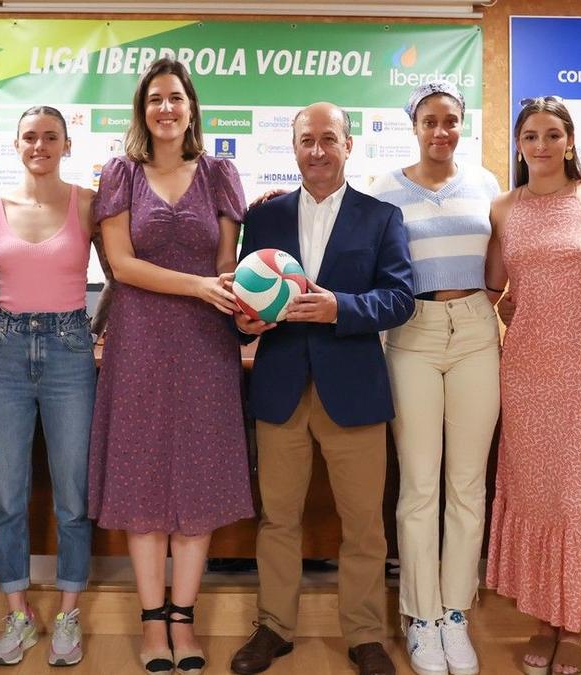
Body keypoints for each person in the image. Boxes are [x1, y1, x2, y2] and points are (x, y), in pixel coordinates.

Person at [229, 102, 415, 675]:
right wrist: (245, 320)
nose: (317, 150)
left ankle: (363, 635)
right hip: (281, 386)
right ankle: (275, 628)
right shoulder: (262, 218)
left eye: (328, 139)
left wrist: (340, 307)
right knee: (278, 518)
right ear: (293, 147)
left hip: (353, 390)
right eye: (307, 140)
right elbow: (245, 295)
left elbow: (400, 298)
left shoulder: (381, 217)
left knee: (364, 524)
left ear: (348, 145)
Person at [88, 57, 253, 674]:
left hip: (206, 344)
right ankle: (151, 624)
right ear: (143, 109)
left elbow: (227, 266)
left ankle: (184, 622)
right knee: (143, 478)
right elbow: (123, 266)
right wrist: (198, 285)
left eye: (175, 98)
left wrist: (239, 290)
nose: (165, 108)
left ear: (191, 107)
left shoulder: (219, 174)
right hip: (140, 345)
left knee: (199, 479)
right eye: (155, 98)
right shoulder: (121, 173)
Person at [482, 96, 581, 675]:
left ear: (569, 141)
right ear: (518, 144)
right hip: (528, 375)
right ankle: (543, 621)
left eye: (552, 134)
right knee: (537, 498)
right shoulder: (502, 208)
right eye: (531, 135)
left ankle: (575, 628)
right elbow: (493, 284)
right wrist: (515, 307)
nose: (541, 145)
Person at [366, 80, 499, 675]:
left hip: (476, 330)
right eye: (429, 121)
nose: (440, 131)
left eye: (450, 121)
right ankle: (420, 616)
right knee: (420, 485)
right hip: (412, 332)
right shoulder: (385, 190)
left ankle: (455, 614)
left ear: (461, 124)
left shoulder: (488, 184)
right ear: (412, 126)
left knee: (468, 486)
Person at [0, 105, 99, 667]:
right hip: (5, 355)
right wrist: (1, 321)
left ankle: (69, 616)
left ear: (67, 145)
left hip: (71, 352)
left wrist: (90, 333)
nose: (40, 145)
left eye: (51, 136)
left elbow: (118, 278)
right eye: (30, 136)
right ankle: (18, 616)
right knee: (8, 497)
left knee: (73, 498)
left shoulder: (89, 204)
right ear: (16, 144)